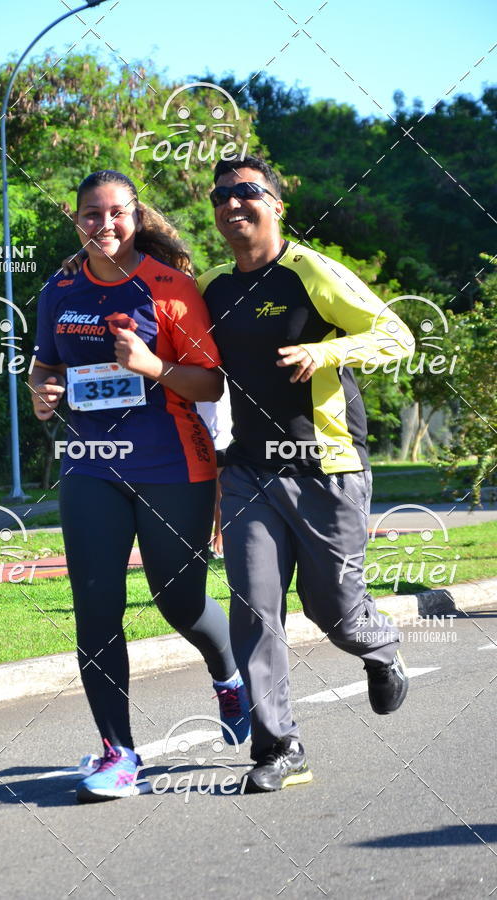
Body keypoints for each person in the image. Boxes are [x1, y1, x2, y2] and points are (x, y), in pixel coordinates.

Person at [197, 155, 414, 793]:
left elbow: (395, 333)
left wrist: (327, 349)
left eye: (248, 193)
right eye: (222, 196)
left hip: (326, 469)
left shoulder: (309, 271)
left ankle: (379, 648)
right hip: (248, 474)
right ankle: (279, 747)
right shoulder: (212, 286)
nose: (233, 205)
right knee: (254, 609)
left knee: (336, 612)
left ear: (276, 205)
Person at [30, 169, 249, 803]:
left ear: (135, 215)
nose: (105, 225)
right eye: (92, 215)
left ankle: (229, 673)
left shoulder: (171, 288)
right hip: (90, 464)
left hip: (172, 463)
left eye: (117, 213)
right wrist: (41, 393)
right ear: (78, 221)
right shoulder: (58, 290)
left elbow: (211, 383)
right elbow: (45, 368)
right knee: (96, 610)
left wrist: (152, 365)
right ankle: (118, 753)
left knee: (177, 599)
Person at [196, 382, 233, 558]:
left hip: (220, 438)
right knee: (201, 493)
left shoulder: (221, 375)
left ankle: (220, 540)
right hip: (196, 437)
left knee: (220, 492)